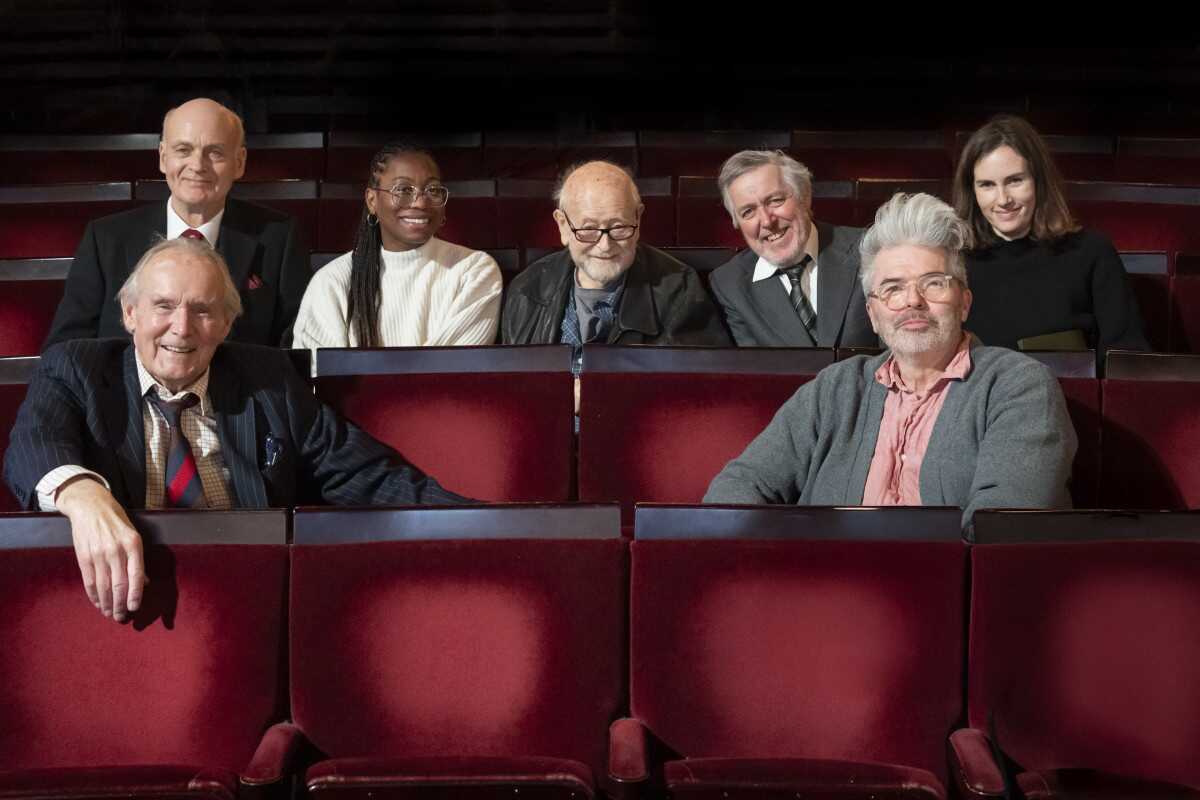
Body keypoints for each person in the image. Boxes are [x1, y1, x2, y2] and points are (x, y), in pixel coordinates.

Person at [5, 238, 468, 624]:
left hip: (247, 602)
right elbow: (32, 445)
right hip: (124, 604)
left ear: (226, 324)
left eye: (203, 311)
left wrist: (481, 531)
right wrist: (84, 497)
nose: (181, 328)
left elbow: (368, 476)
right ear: (130, 313)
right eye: (163, 306)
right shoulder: (77, 369)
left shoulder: (269, 380)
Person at [704, 193, 1077, 530]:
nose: (913, 300)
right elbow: (738, 487)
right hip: (822, 578)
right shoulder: (833, 388)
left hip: (950, 582)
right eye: (893, 288)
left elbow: (1001, 527)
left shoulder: (1018, 386)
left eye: (933, 283)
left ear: (964, 302)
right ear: (873, 314)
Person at [44, 97, 311, 349]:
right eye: (183, 150)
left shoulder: (279, 239)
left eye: (215, 153)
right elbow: (66, 350)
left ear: (239, 162)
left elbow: (292, 349)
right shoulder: (106, 239)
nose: (198, 165)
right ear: (163, 157)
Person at [953, 114, 1149, 355]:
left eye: (1015, 181)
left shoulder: (1091, 252)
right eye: (987, 185)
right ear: (972, 191)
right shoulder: (955, 261)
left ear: (1039, 181)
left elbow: (1125, 353)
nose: (1003, 199)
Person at [501, 160, 729, 349]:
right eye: (589, 229)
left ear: (638, 219)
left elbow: (697, 384)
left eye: (619, 227)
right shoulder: (526, 289)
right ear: (563, 226)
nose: (605, 245)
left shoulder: (680, 289)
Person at [292, 143, 501, 348]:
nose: (420, 202)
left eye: (433, 190)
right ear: (372, 200)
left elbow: (458, 366)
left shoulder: (473, 270)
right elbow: (318, 368)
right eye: (403, 190)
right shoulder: (332, 281)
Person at [709, 149, 877, 348]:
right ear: (737, 223)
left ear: (804, 196)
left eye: (775, 200)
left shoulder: (870, 250)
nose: (766, 221)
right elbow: (754, 364)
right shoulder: (730, 284)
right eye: (748, 212)